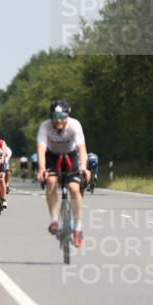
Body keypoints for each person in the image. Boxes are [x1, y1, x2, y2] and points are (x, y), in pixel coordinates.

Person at [36, 100, 90, 248]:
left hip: (71, 156)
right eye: (55, 117)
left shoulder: (75, 125)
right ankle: (54, 220)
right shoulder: (45, 126)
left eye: (62, 117)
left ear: (67, 116)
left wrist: (84, 167)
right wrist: (41, 169)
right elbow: (41, 149)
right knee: (51, 182)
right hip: (52, 157)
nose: (58, 120)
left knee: (74, 189)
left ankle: (78, 228)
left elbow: (81, 148)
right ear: (51, 117)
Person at [0, 137, 12, 208]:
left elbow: (4, 161)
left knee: (1, 178)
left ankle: (4, 199)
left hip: (2, 160)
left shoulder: (7, 151)